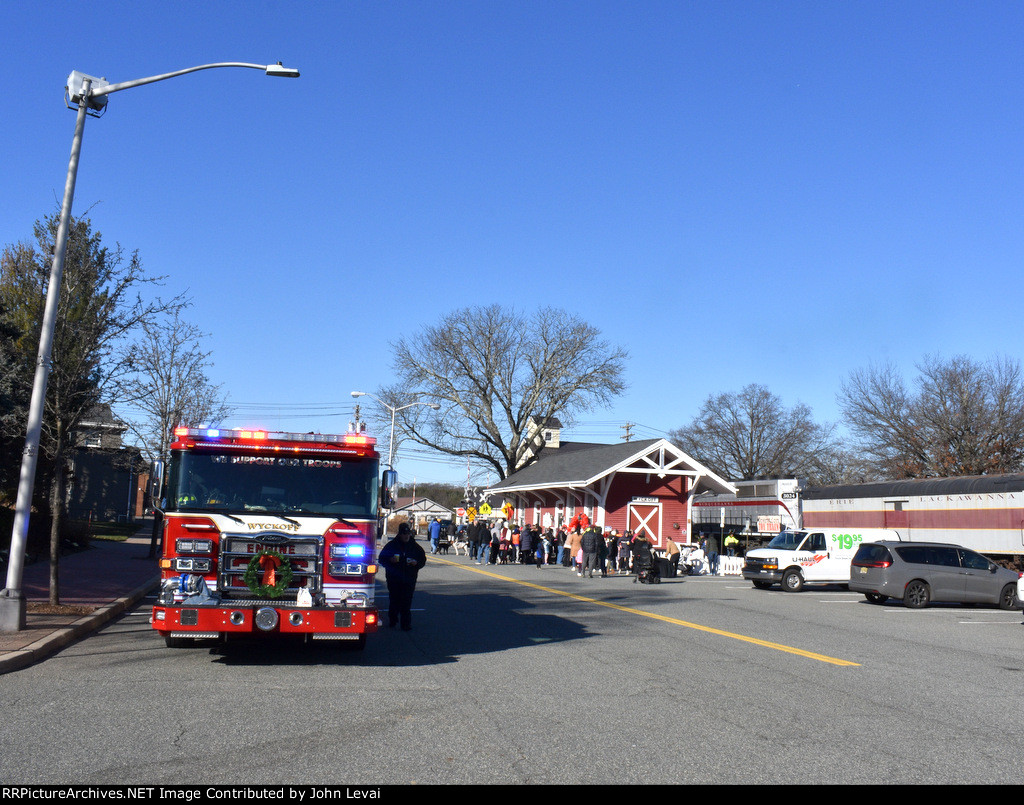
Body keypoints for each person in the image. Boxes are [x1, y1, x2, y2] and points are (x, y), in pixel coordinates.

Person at [378, 522, 427, 631]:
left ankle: (406, 624)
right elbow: (382, 559)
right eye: (404, 534)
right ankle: (393, 619)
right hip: (394, 578)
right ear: (399, 534)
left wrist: (416, 563)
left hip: (409, 578)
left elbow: (422, 560)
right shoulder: (391, 545)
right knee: (394, 599)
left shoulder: (415, 547)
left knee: (406, 601)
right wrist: (390, 560)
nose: (406, 536)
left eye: (408, 534)